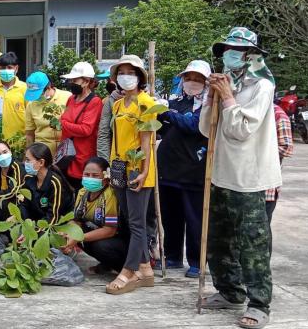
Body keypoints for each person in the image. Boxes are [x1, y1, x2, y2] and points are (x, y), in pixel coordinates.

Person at [198, 27, 281, 329]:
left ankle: (259, 303)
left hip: (251, 179)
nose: (229, 55)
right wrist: (211, 97)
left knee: (253, 245)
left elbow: (241, 130)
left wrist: (229, 97)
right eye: (226, 50)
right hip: (221, 175)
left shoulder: (261, 87)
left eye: (237, 50)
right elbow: (208, 131)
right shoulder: (225, 85)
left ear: (251, 55)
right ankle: (230, 292)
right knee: (218, 242)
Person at [105, 54, 158, 295]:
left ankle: (129, 271)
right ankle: (145, 268)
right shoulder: (117, 104)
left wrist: (144, 171)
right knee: (128, 219)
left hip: (137, 168)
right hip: (118, 168)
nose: (126, 77)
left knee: (137, 223)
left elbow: (147, 141)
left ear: (139, 77)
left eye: (131, 72)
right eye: (121, 72)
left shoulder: (145, 103)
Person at [156, 60, 211, 278]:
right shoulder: (175, 101)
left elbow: (193, 126)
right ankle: (172, 256)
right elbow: (161, 126)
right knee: (171, 217)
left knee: (195, 219)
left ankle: (197, 261)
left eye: (198, 79)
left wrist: (166, 113)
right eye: (189, 78)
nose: (192, 82)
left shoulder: (207, 106)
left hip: (194, 170)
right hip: (168, 168)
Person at [62, 157, 126, 274]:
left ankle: (123, 269)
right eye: (86, 174)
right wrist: (69, 233)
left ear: (105, 178)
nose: (89, 178)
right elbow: (76, 219)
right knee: (72, 232)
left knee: (101, 247)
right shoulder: (82, 192)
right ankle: (107, 264)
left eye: (95, 175)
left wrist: (79, 237)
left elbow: (110, 231)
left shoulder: (110, 195)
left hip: (118, 240)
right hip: (97, 231)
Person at [59, 61, 103, 189]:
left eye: (75, 80)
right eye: (71, 80)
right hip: (67, 155)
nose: (71, 83)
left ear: (87, 81)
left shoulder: (94, 102)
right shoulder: (71, 99)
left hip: (83, 156)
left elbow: (86, 129)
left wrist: (63, 124)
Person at [21, 143, 73, 223]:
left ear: (41, 162)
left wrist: (34, 230)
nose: (24, 163)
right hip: (35, 220)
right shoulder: (28, 177)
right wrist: (24, 223)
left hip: (53, 223)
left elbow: (53, 216)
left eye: (28, 160)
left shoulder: (55, 183)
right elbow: (25, 204)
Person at [24, 71, 72, 155]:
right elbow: (29, 134)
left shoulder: (67, 97)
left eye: (39, 93)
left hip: (65, 149)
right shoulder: (31, 105)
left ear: (49, 87)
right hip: (42, 151)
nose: (37, 97)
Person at [0, 52, 27, 141]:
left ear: (16, 68)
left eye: (10, 67)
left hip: (20, 141)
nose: (6, 70)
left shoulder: (25, 89)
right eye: (2, 68)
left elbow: (32, 115)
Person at [266, 103, 293, 222]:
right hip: (239, 185)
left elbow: (286, 148)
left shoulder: (277, 115)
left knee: (260, 232)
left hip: (266, 188)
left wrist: (255, 149)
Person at [96, 69, 123, 161]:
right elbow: (103, 133)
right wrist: (104, 163)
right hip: (117, 158)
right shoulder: (109, 101)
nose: (110, 82)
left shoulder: (145, 101)